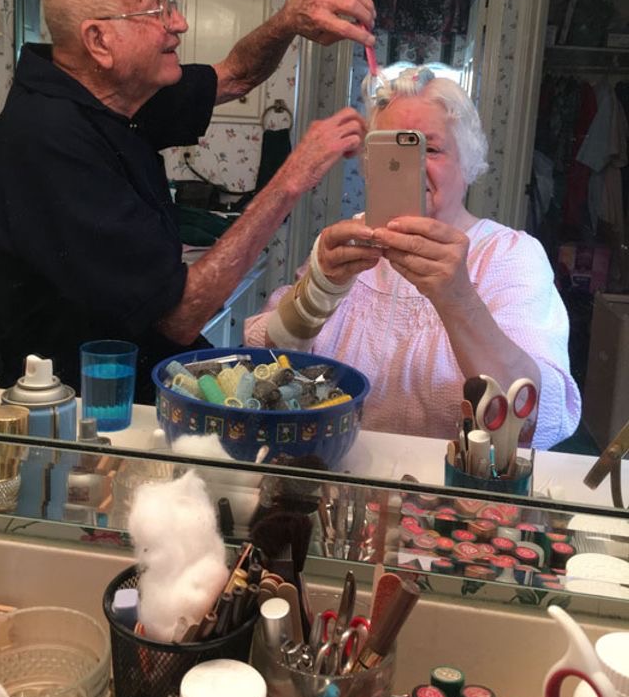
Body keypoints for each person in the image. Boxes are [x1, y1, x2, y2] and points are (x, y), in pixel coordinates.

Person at [0, 0, 377, 401]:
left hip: (140, 370)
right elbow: (181, 316)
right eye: (157, 11)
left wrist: (290, 18)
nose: (179, 24)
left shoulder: (115, 93)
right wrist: (291, 178)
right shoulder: (46, 140)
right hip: (87, 406)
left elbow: (236, 74)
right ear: (99, 40)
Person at [244, 66, 582, 449]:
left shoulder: (510, 256)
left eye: (430, 149)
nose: (411, 166)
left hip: (455, 491)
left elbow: (533, 418)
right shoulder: (347, 244)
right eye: (391, 150)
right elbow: (262, 374)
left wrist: (459, 300)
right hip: (337, 475)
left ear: (468, 162)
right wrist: (316, 295)